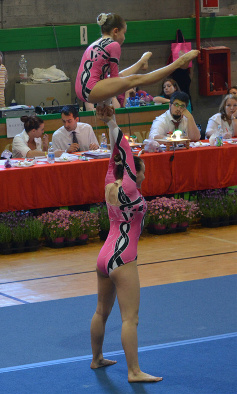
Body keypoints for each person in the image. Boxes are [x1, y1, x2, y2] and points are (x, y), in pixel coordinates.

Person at [90, 105, 163, 383]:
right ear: (135, 172)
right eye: (141, 169)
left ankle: (96, 358)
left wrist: (109, 123)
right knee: (130, 318)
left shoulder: (111, 180)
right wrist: (113, 120)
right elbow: (123, 149)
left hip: (104, 255)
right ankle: (133, 371)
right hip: (123, 257)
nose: (143, 173)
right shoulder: (130, 188)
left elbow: (115, 155)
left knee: (101, 311)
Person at [75, 13, 199, 107]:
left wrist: (106, 104)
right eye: (124, 33)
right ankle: (178, 62)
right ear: (116, 31)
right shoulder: (113, 45)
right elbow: (114, 79)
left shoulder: (94, 44)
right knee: (135, 79)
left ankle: (141, 62)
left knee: (123, 77)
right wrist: (106, 104)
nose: (124, 37)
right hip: (91, 90)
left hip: (82, 89)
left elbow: (111, 79)